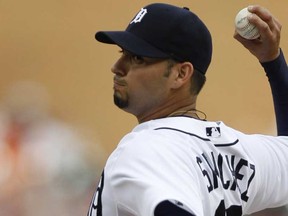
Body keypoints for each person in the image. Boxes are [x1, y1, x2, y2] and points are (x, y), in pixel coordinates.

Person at [88, 3, 288, 216]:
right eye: (122, 52)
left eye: (137, 58)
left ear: (181, 74)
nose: (117, 66)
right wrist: (273, 62)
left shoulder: (144, 152)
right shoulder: (236, 150)